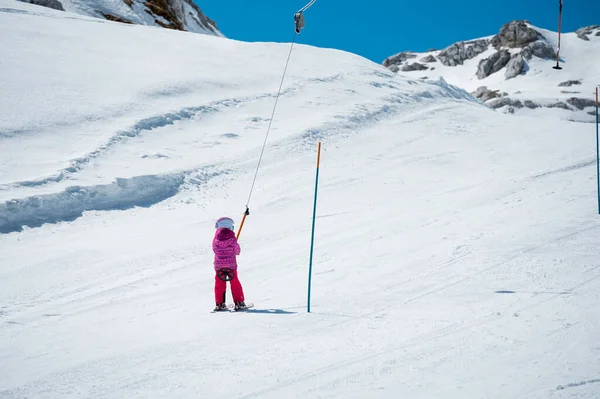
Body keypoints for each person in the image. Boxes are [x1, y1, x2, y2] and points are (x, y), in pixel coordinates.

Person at [212, 217, 247, 311]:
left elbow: (214, 250)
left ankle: (220, 304)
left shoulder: (215, 240)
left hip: (219, 266)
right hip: (231, 265)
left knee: (219, 284)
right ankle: (239, 302)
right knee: (234, 282)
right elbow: (237, 251)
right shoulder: (232, 239)